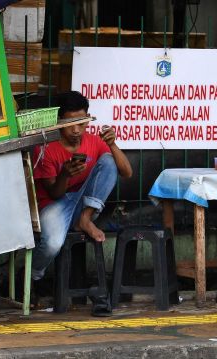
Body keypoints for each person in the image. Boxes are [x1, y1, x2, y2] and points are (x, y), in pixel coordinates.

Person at [31, 91, 132, 315]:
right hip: (55, 204)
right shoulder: (46, 148)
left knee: (108, 161)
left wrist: (113, 145)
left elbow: (126, 172)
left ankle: (85, 220)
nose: (76, 130)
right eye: (70, 123)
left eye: (82, 122)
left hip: (83, 205)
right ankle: (33, 276)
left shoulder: (94, 142)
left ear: (88, 119)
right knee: (52, 244)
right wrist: (65, 176)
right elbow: (54, 194)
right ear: (59, 122)